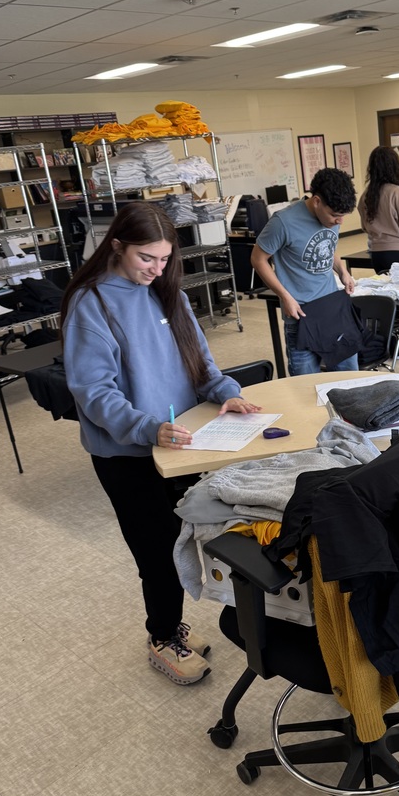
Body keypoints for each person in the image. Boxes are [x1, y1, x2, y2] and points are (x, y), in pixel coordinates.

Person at [61, 201, 261, 686]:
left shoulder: (167, 293)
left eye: (165, 258)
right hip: (129, 453)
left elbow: (200, 361)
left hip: (181, 443)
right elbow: (94, 393)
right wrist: (147, 428)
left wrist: (226, 392)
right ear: (117, 246)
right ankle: (162, 636)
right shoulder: (92, 304)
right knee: (155, 551)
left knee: (185, 536)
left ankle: (172, 625)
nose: (157, 268)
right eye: (146, 258)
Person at [251, 167, 359, 376]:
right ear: (317, 201)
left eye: (343, 216)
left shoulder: (332, 218)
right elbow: (258, 259)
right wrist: (285, 297)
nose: (340, 222)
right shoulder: (283, 222)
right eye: (335, 215)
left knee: (349, 378)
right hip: (301, 315)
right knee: (305, 385)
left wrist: (342, 271)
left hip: (332, 309)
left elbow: (328, 247)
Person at [358, 146, 399, 273]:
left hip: (376, 253)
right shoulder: (397, 191)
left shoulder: (366, 195)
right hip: (398, 252)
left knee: (384, 285)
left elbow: (365, 227)